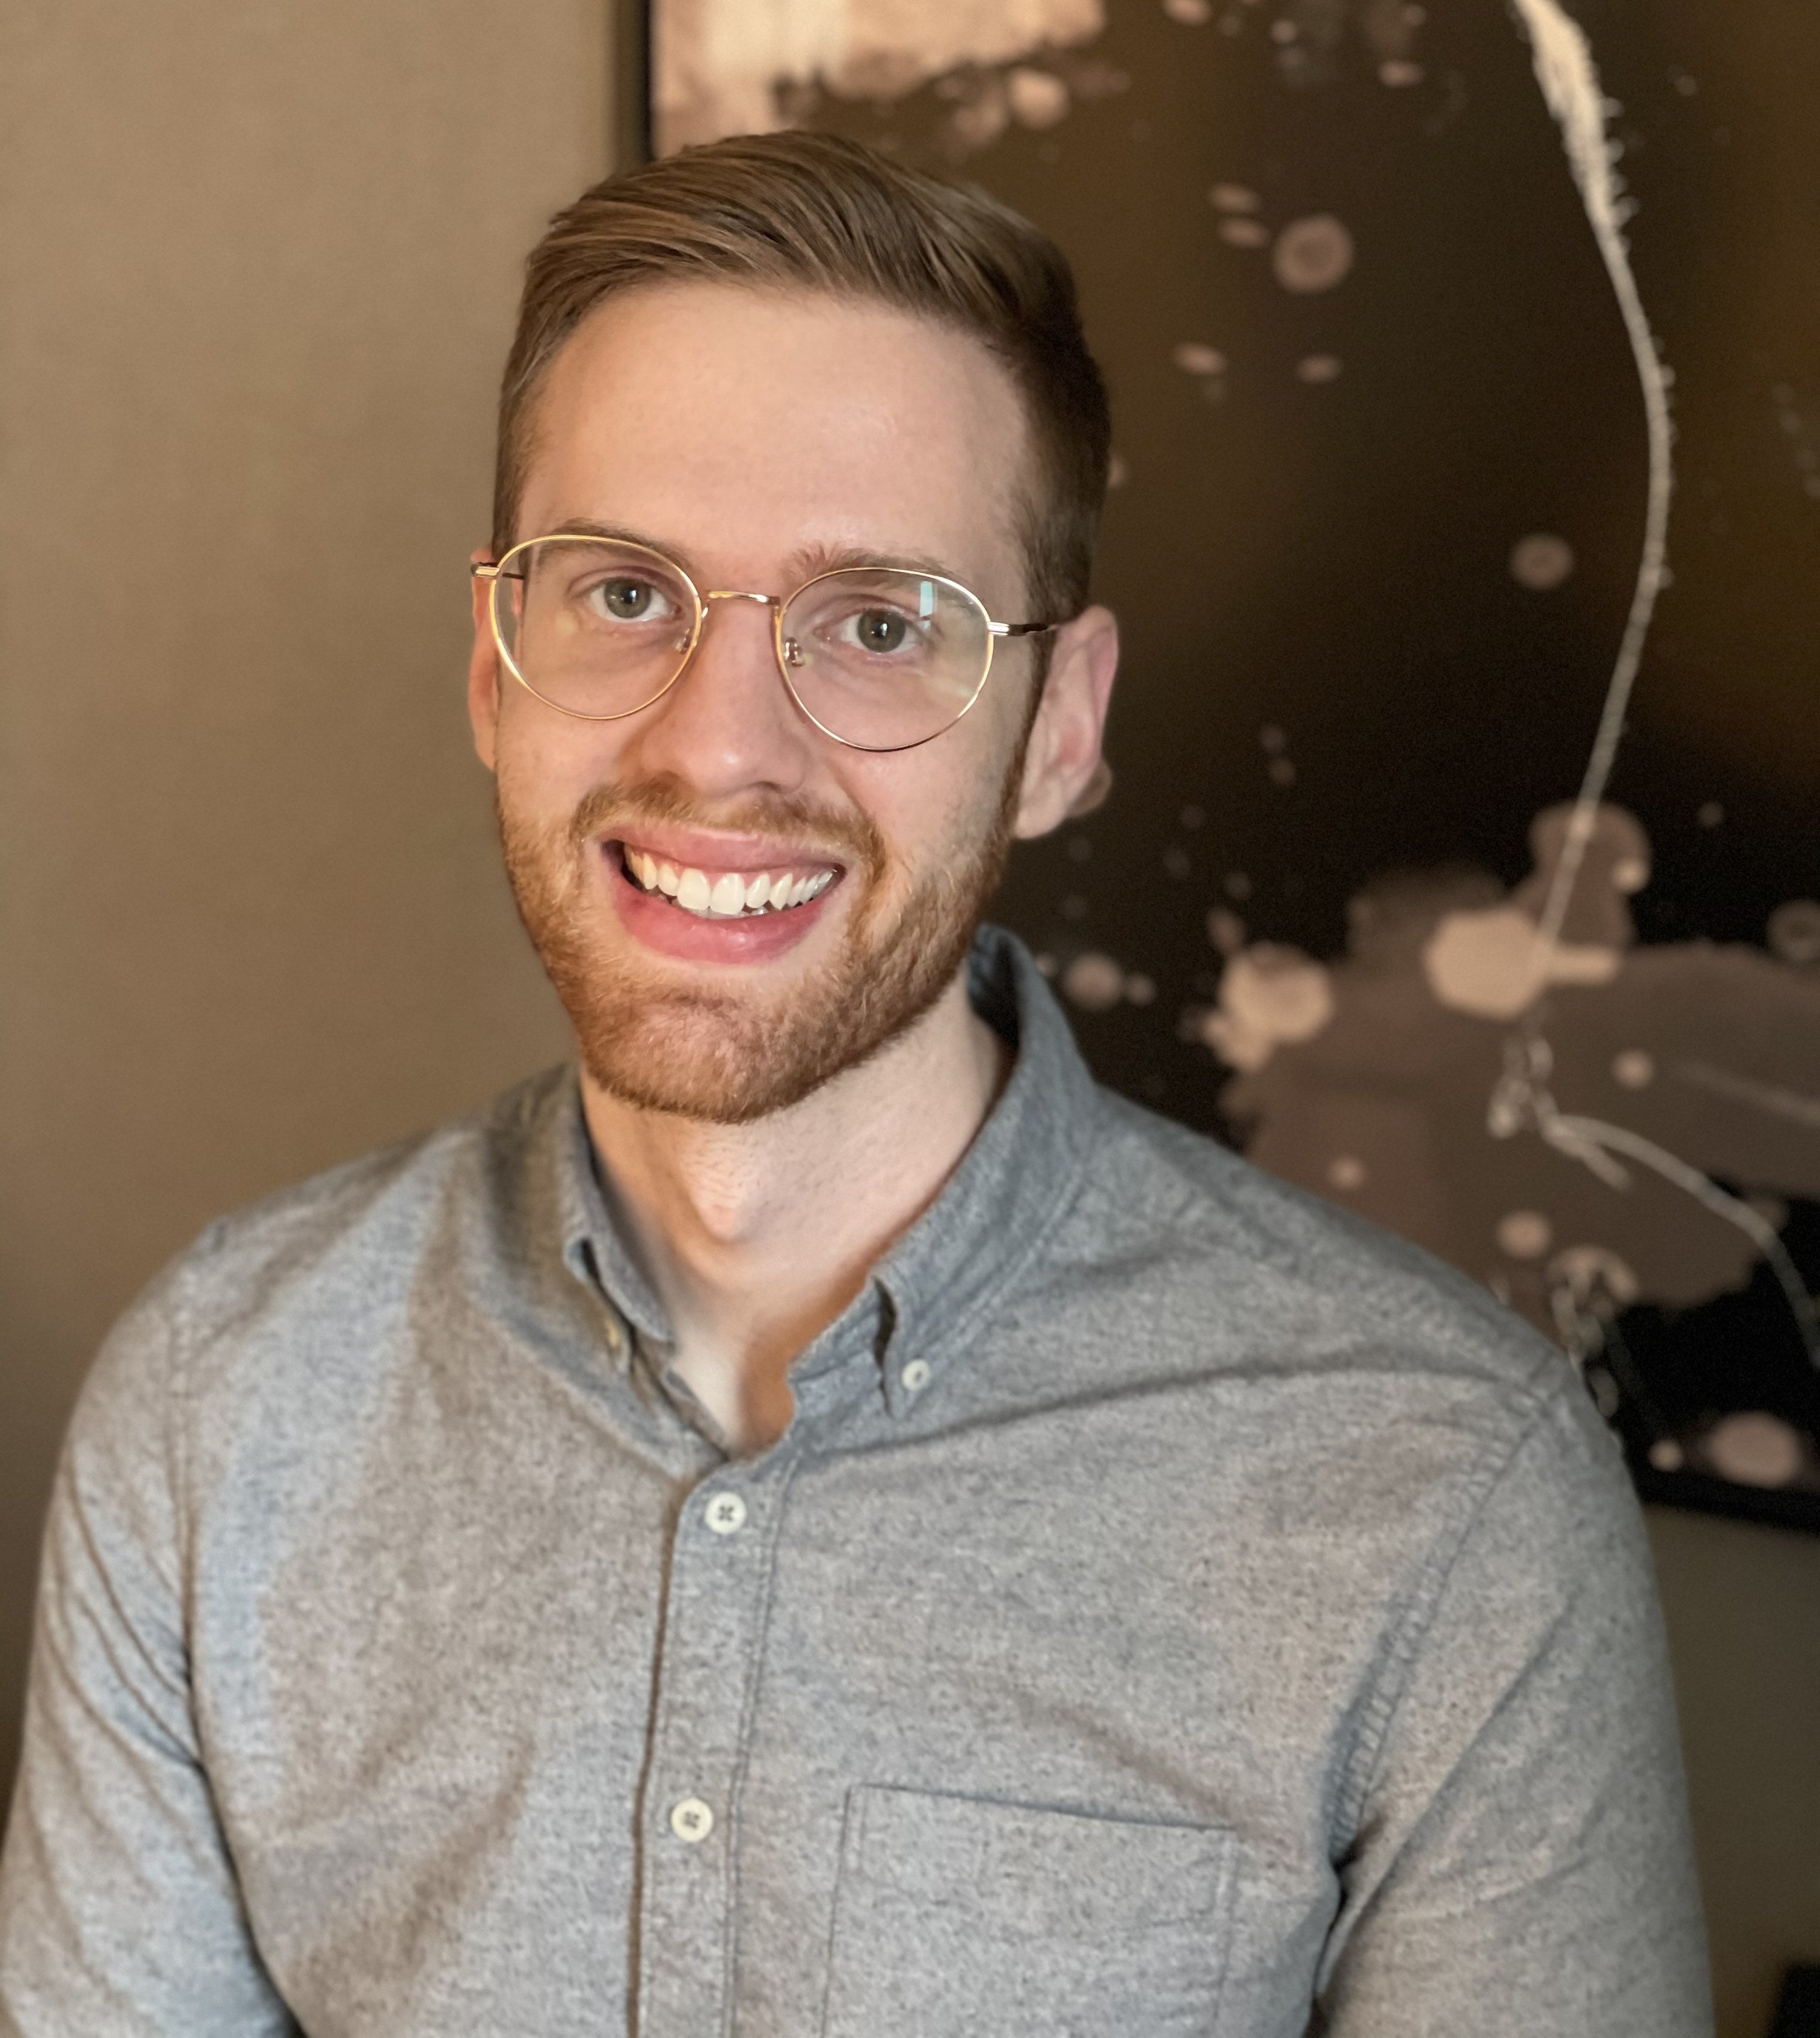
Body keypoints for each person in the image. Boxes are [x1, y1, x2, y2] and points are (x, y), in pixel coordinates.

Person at [0, 131, 1710, 2036]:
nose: (721, 752)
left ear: (1058, 730)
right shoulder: (219, 1408)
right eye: (627, 593)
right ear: (494, 668)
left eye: (882, 624)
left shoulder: (1444, 1498)